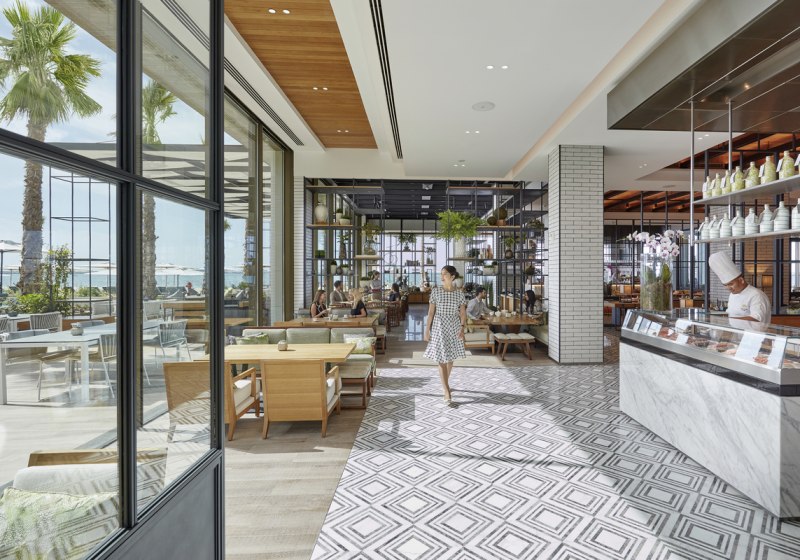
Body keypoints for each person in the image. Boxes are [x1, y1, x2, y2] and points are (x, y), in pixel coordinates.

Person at [424, 266, 466, 404]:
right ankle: (447, 391)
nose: (442, 277)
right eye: (441, 274)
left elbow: (462, 313)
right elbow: (431, 313)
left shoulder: (459, 294)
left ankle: (445, 384)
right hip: (439, 327)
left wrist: (462, 327)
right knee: (441, 359)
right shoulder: (436, 291)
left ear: (452, 276)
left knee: (450, 358)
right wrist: (427, 330)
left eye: (445, 274)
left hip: (454, 326)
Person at [708, 251, 771, 323]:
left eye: (731, 284)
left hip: (752, 330)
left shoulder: (756, 295)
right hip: (735, 330)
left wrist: (731, 320)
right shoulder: (732, 295)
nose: (728, 288)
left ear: (741, 280)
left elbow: (757, 318)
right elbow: (730, 314)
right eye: (725, 285)